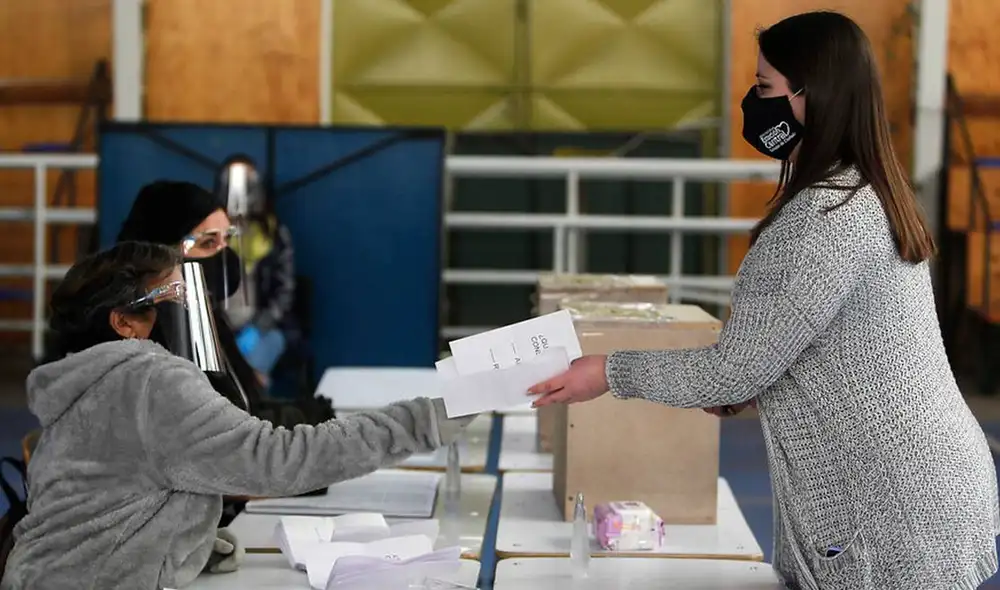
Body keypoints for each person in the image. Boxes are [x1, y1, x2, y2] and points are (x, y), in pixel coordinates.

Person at [529, 11, 999, 590]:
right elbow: (819, 349)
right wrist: (751, 384)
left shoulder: (824, 220)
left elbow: (731, 371)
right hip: (928, 484)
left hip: (892, 507)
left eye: (766, 88)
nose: (753, 102)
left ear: (811, 95)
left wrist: (608, 371)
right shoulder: (865, 192)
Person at [0, 241, 475, 590]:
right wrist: (423, 421)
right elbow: (278, 460)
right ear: (125, 323)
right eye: (176, 295)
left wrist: (180, 538)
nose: (194, 303)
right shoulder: (148, 378)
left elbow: (107, 497)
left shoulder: (83, 379)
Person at [116, 180, 316, 427]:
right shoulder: (142, 331)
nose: (224, 254)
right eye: (208, 242)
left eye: (227, 240)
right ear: (160, 249)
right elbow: (219, 428)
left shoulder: (209, 316)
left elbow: (244, 407)